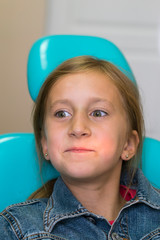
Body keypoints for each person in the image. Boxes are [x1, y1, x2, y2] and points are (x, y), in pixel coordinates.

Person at [0, 56, 160, 239]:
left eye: (98, 113)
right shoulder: (14, 229)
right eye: (62, 113)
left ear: (128, 144)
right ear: (45, 143)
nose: (77, 128)